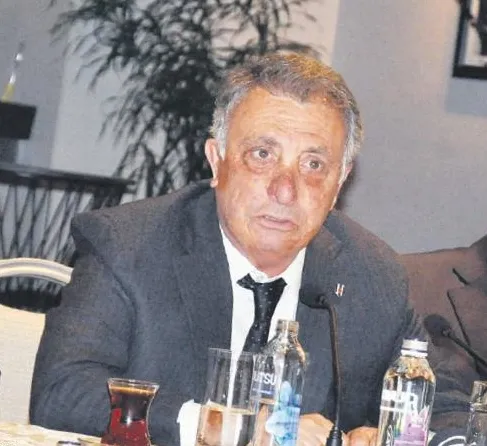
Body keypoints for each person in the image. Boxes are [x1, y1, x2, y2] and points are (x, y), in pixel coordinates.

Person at [30, 52, 470, 446]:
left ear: (339, 183)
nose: (285, 189)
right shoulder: (129, 246)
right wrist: (228, 427)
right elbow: (63, 391)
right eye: (262, 154)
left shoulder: (372, 275)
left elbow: (447, 408)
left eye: (313, 164)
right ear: (217, 160)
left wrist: (398, 436)